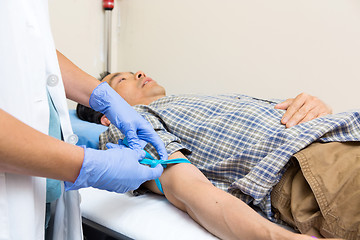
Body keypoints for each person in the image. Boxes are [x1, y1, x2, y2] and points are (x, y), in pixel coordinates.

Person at [77, 71, 360, 240]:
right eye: (122, 78)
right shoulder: (128, 124)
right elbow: (189, 191)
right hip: (312, 169)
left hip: (345, 136)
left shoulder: (188, 102)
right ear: (106, 115)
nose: (139, 73)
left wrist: (316, 106)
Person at [0, 2, 168, 240]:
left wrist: (107, 98)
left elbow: (31, 47)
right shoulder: (155, 125)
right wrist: (88, 165)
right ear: (106, 121)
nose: (139, 74)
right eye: (121, 80)